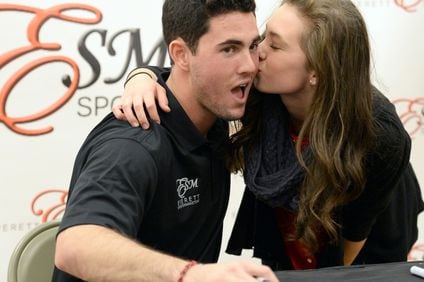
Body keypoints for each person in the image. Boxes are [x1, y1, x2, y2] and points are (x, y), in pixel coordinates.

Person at [113, 0, 424, 271]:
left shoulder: (378, 135)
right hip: (285, 237)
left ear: (318, 70)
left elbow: (350, 247)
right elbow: (189, 76)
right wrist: (141, 78)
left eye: (273, 45)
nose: (255, 54)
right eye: (262, 37)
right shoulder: (258, 89)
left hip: (366, 245)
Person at [52, 0, 279, 281]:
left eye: (253, 46)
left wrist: (141, 74)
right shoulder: (132, 145)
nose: (249, 66)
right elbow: (75, 246)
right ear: (181, 55)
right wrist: (189, 274)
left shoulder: (217, 105)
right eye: (229, 49)